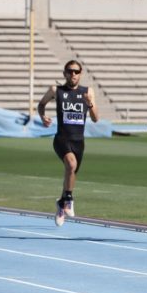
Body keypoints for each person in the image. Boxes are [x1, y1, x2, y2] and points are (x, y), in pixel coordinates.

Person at [36, 60, 99, 227]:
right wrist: (43, 117)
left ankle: (61, 202)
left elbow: (95, 118)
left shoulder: (87, 92)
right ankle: (69, 199)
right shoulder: (56, 90)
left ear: (80, 74)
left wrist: (89, 103)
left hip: (79, 141)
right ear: (64, 73)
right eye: (70, 71)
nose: (73, 74)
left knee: (71, 174)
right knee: (71, 165)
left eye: (76, 71)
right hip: (62, 139)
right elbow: (41, 105)